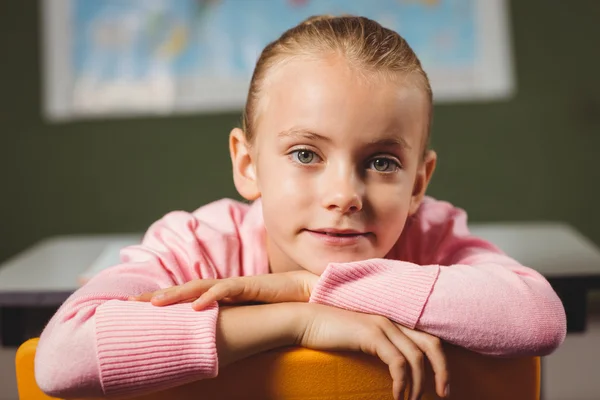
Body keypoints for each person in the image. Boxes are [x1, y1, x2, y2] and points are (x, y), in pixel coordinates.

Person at [35, 15, 566, 400]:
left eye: (382, 162)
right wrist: (300, 322)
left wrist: (314, 286)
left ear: (418, 183)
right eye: (306, 153)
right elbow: (62, 357)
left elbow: (538, 317)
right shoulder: (199, 247)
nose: (345, 195)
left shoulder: (431, 233)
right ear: (247, 164)